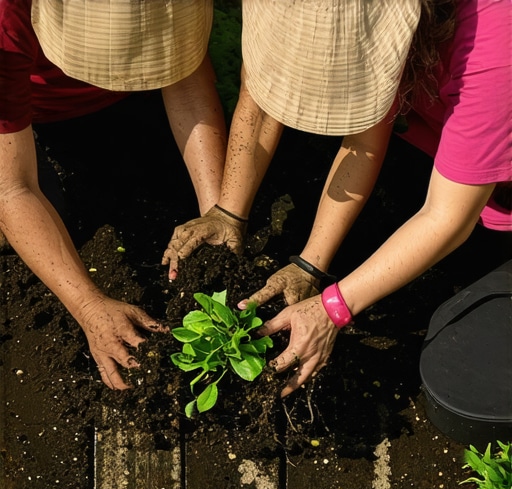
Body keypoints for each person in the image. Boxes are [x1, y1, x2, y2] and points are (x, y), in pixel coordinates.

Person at [163, 0, 511, 396]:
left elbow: (446, 217)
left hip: (495, 195)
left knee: (472, 383)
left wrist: (333, 307)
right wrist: (240, 220)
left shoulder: (495, 49)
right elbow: (358, 129)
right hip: (434, 140)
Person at [0, 0, 227, 390]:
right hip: (32, 112)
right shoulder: (6, 19)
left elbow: (186, 82)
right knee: (25, 231)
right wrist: (88, 306)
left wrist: (218, 211)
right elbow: (12, 186)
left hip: (137, 88)